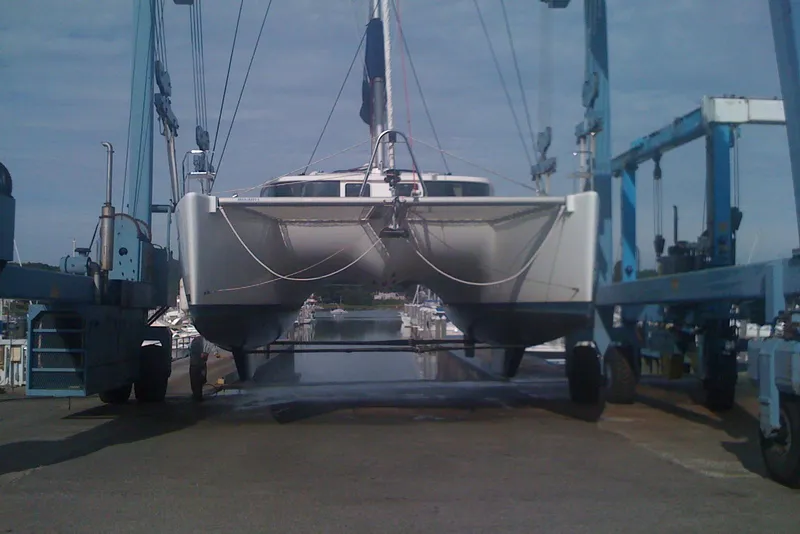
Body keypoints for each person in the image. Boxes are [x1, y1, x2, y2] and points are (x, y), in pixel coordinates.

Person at [189, 335, 216, 401]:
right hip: (198, 364)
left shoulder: (197, 341)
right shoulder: (201, 342)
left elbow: (190, 348)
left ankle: (197, 395)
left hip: (196, 364)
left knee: (196, 381)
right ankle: (198, 396)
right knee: (198, 380)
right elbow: (203, 355)